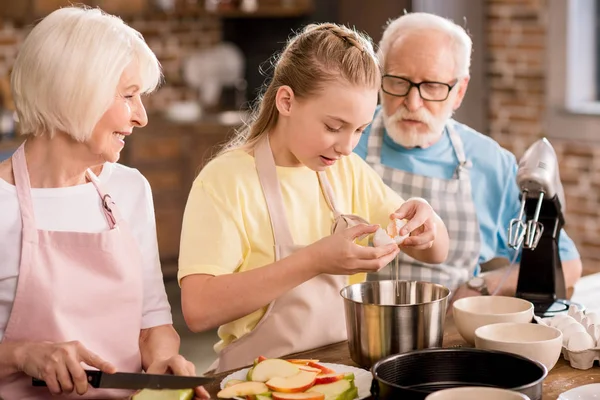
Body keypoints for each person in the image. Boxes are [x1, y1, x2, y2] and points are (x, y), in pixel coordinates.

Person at [178, 22, 450, 373]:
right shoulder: (225, 181)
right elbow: (198, 310)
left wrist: (428, 222)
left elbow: (436, 252)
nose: (347, 146)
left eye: (359, 130)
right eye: (333, 127)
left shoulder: (347, 170)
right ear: (287, 101)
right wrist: (315, 260)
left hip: (340, 372)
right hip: (253, 380)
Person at [0, 6, 209, 399]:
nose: (142, 117)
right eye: (129, 96)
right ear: (74, 93)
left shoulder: (130, 189)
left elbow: (152, 323)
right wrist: (21, 354)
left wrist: (163, 361)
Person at [354, 12, 582, 302]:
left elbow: (567, 264)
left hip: (449, 336)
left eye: (432, 87)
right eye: (398, 82)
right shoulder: (345, 143)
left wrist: (482, 284)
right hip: (351, 331)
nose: (412, 103)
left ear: (459, 91)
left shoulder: (490, 163)